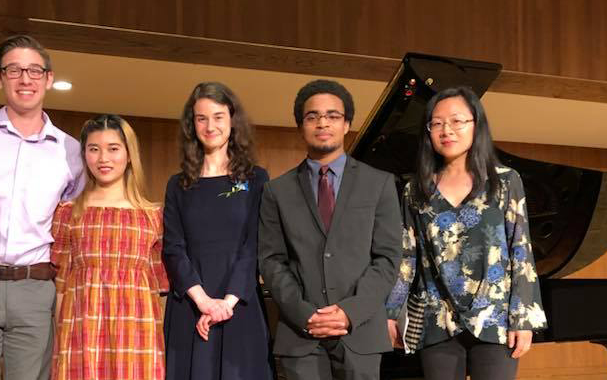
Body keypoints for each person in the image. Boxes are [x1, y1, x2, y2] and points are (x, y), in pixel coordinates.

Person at [385, 86, 546, 380]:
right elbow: (406, 256)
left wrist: (523, 319)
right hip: (436, 318)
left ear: (476, 125)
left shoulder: (506, 182)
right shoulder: (415, 190)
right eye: (436, 123)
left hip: (495, 318)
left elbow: (521, 251)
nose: (446, 130)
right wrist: (391, 312)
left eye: (457, 121)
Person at [0, 35, 85, 380]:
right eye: (14, 70)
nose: (26, 79)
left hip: (34, 288)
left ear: (49, 79)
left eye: (35, 71)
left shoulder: (69, 150)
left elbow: (72, 224)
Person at [258, 79, 402, 380]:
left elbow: (388, 258)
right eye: (312, 117)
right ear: (301, 126)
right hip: (300, 335)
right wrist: (305, 314)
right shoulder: (277, 190)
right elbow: (271, 260)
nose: (323, 122)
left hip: (360, 332)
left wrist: (350, 311)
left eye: (332, 115)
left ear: (347, 124)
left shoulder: (379, 184)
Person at [163, 82, 273, 380]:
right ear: (192, 125)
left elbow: (254, 245)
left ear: (232, 120)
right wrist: (204, 302)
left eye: (218, 116)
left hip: (238, 305)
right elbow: (173, 248)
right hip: (190, 306)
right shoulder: (177, 184)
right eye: (202, 118)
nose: (210, 126)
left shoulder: (256, 178)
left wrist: (226, 303)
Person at [50, 114, 168, 380]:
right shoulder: (68, 212)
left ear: (128, 154)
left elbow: (160, 290)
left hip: (138, 332)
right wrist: (61, 339)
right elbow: (60, 285)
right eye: (94, 149)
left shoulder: (152, 215)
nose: (103, 158)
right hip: (81, 331)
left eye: (113, 148)